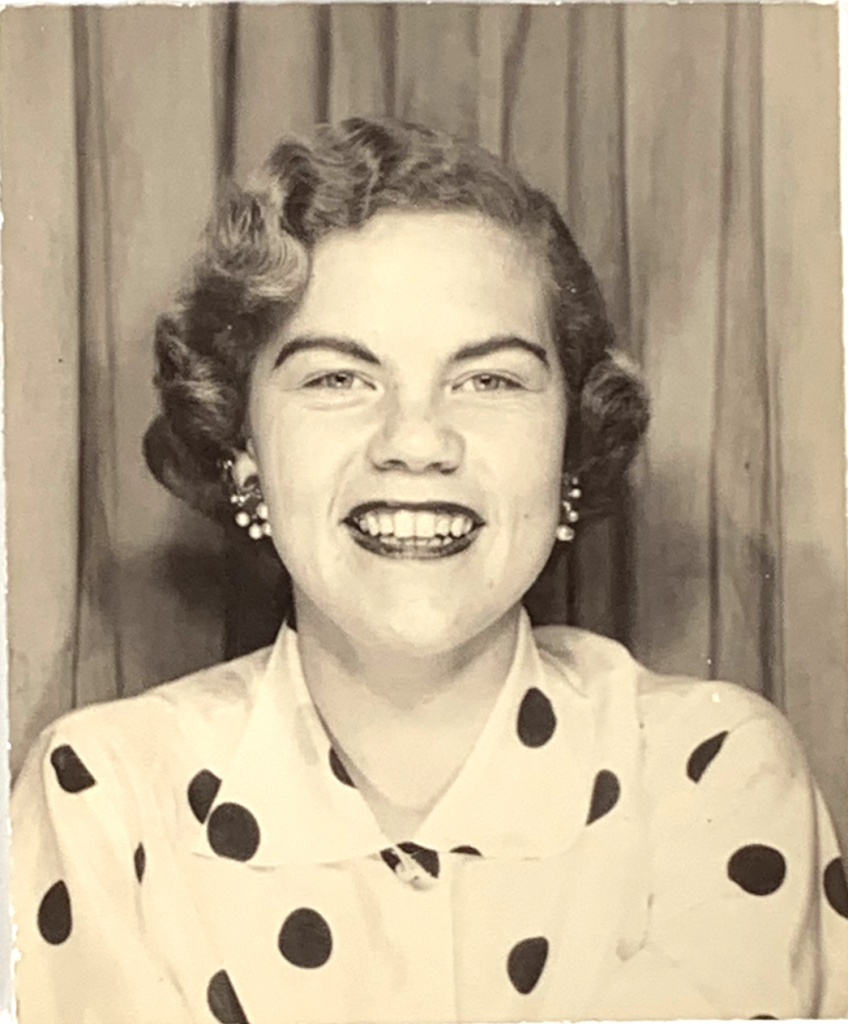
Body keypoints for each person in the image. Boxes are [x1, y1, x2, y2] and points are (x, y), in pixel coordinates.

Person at [11, 118, 848, 1024]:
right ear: (241, 450)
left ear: (571, 444)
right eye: (337, 378)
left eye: (489, 381)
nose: (416, 442)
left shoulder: (710, 776)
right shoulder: (103, 801)